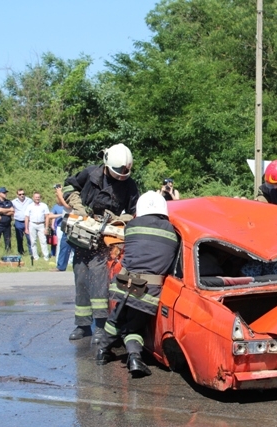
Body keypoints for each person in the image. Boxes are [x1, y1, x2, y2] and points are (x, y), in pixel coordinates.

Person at [96, 191, 179, 377]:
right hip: (149, 291)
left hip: (124, 283)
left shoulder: (132, 226)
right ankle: (135, 358)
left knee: (117, 317)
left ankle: (102, 351)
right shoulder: (172, 232)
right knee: (134, 326)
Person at [63, 143, 139, 343]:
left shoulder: (129, 184)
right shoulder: (90, 174)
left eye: (125, 173)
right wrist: (78, 206)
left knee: (99, 279)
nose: (122, 176)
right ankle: (82, 325)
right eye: (118, 173)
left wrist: (118, 219)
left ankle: (100, 325)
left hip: (106, 238)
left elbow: (134, 213)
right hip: (83, 234)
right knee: (81, 278)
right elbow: (69, 187)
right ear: (106, 165)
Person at [52, 185, 74, 271]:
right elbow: (60, 203)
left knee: (76, 247)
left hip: (73, 223)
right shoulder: (66, 197)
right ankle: (61, 266)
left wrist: (60, 194)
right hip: (67, 222)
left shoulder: (75, 197)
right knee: (64, 245)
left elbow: (68, 206)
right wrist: (58, 194)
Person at [24, 191, 50, 261]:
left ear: (40, 198)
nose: (37, 198)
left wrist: (46, 227)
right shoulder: (29, 206)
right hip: (32, 224)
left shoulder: (44, 205)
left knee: (43, 241)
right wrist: (26, 228)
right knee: (33, 241)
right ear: (33, 198)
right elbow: (26, 217)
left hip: (41, 224)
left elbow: (47, 216)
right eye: (36, 197)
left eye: (38, 197)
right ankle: (35, 257)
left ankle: (46, 257)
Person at [0, 187, 14, 254]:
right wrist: (8, 210)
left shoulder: (9, 202)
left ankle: (8, 253)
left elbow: (12, 212)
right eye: (4, 192)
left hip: (7, 225)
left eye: (5, 192)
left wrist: (2, 212)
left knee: (8, 241)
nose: (5, 194)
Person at [12, 188, 33, 255]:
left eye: (23, 194)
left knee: (29, 238)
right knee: (19, 238)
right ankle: (20, 252)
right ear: (17, 195)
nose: (22, 195)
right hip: (18, 221)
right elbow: (11, 210)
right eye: (20, 194)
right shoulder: (13, 202)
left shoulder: (29, 201)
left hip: (28, 221)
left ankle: (31, 252)